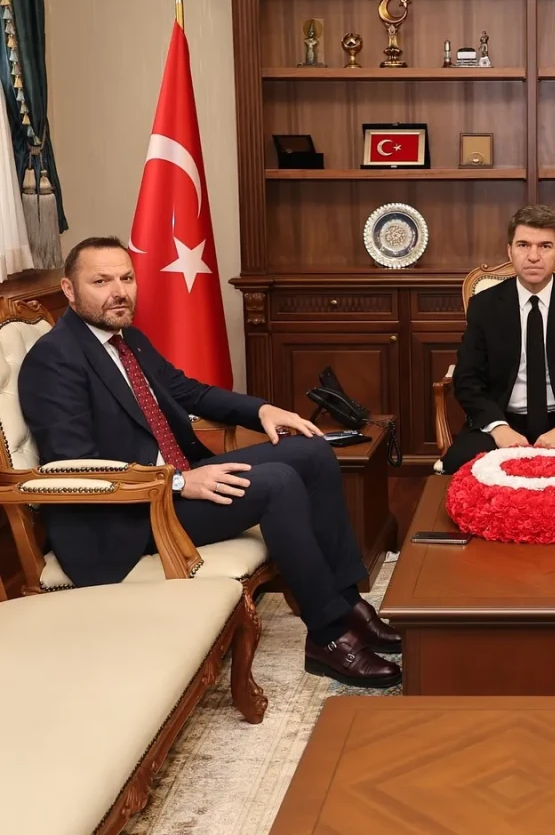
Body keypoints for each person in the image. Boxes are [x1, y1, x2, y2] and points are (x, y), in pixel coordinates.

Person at [19, 236, 402, 689]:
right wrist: (180, 482)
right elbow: (76, 465)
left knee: (312, 449)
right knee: (278, 483)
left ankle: (347, 603)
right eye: (101, 281)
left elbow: (189, 392)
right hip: (124, 516)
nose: (119, 292)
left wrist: (262, 410)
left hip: (172, 487)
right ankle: (328, 635)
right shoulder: (54, 359)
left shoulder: (127, 340)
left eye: (126, 278)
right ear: (69, 289)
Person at [441, 204, 555, 473]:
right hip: (502, 419)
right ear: (510, 251)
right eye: (523, 245)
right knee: (459, 465)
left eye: (545, 246)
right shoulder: (485, 305)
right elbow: (467, 379)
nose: (534, 256)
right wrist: (498, 428)